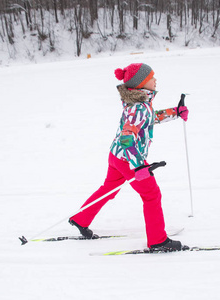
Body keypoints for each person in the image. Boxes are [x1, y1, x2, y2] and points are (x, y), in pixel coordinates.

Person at [69, 63, 189, 252]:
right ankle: (158, 241)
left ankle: (80, 218)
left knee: (109, 189)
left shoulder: (140, 104)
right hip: (128, 159)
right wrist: (138, 166)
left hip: (116, 156)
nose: (155, 79)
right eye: (151, 77)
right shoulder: (139, 107)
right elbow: (127, 138)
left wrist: (175, 112)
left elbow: (150, 118)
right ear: (141, 83)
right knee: (151, 195)